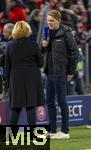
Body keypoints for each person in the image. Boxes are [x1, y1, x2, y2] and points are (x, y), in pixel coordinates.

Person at [41, 10, 78, 139]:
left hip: (61, 72)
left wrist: (71, 72)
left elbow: (75, 53)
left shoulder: (66, 33)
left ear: (58, 20)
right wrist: (43, 45)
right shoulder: (46, 31)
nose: (49, 23)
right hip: (49, 72)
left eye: (51, 20)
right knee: (49, 102)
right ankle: (51, 130)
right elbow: (43, 51)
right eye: (48, 21)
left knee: (62, 101)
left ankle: (65, 131)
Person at [5, 21, 45, 125]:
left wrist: (8, 84)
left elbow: (7, 66)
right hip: (32, 79)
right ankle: (32, 136)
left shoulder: (9, 46)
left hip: (15, 80)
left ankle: (10, 137)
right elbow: (41, 64)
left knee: (15, 108)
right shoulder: (34, 45)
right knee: (31, 107)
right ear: (28, 31)